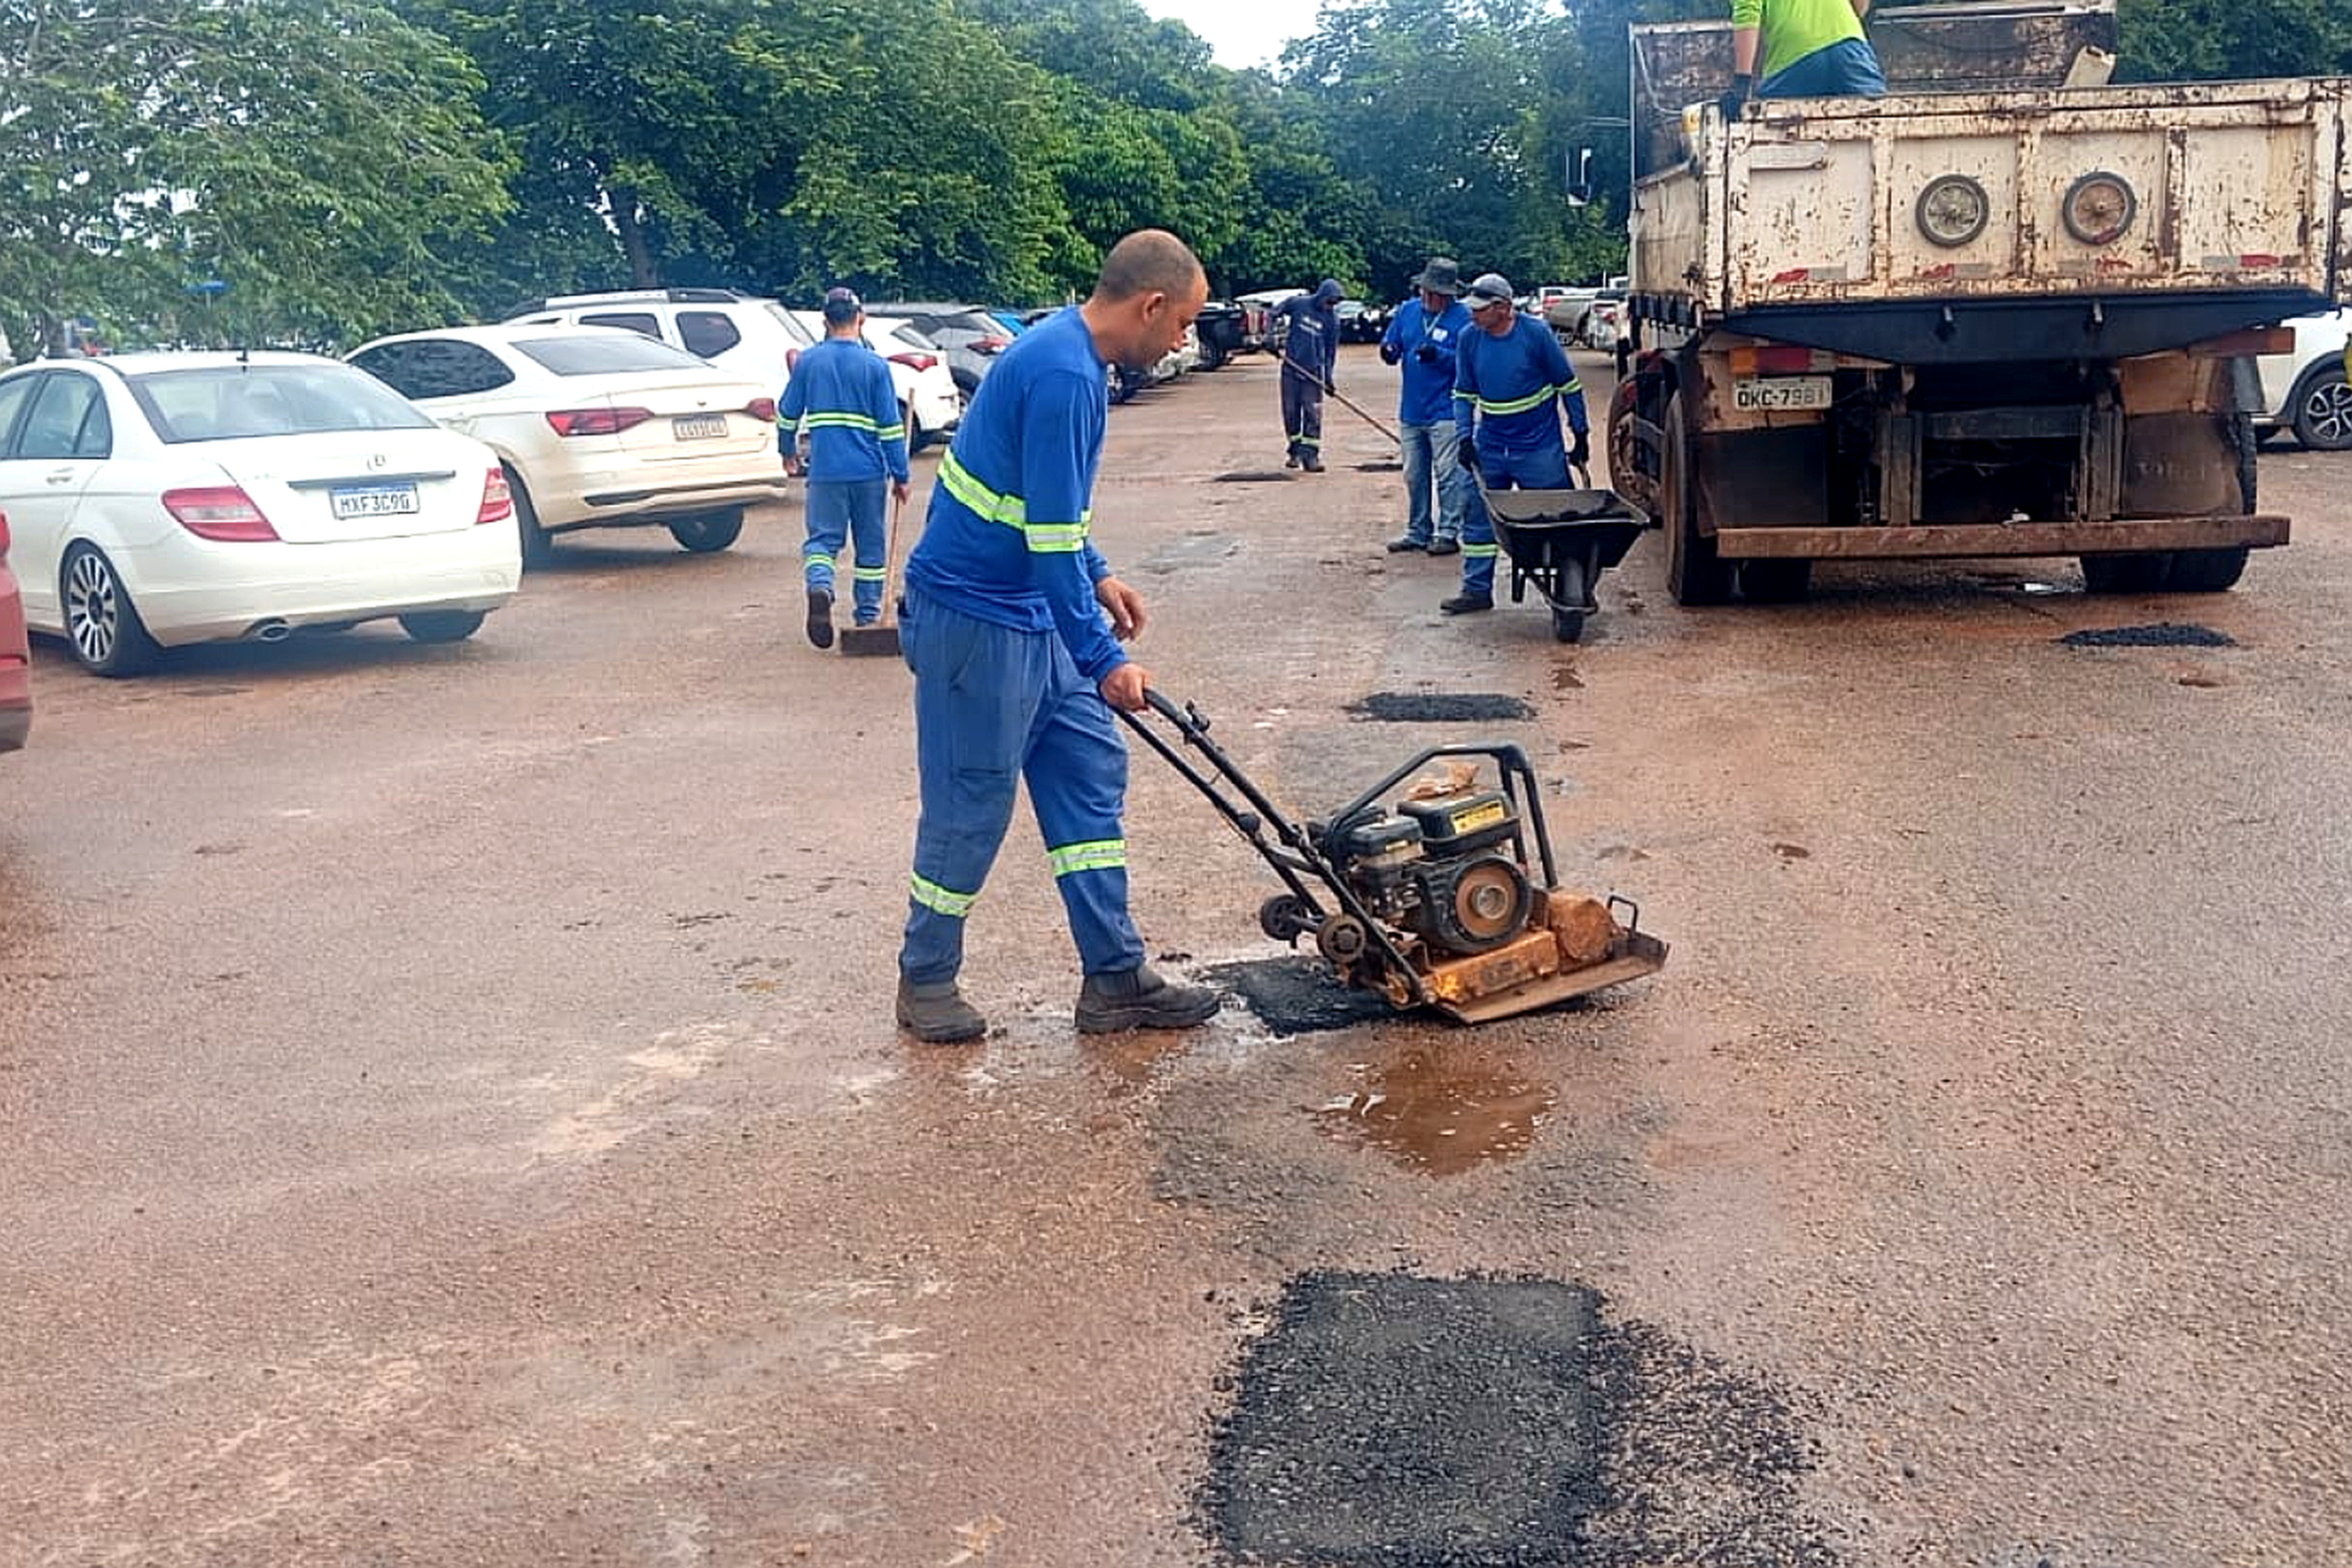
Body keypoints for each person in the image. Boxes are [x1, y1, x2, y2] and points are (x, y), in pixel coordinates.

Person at [894, 229, 1223, 1044]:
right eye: (1182, 322)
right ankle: (926, 979)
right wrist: (1105, 657)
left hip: (1035, 612)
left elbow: (1053, 512)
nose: (1184, 339)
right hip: (976, 619)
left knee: (1087, 775)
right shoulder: (1062, 372)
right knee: (971, 803)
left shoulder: (1072, 362)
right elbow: (1044, 538)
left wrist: (1099, 570)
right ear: (1149, 305)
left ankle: (1115, 978)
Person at [1446, 272, 1590, 616]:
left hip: (1538, 446)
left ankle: (1567, 585)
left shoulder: (1536, 335)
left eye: (1481, 309)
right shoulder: (1470, 339)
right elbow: (1464, 393)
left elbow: (1567, 385)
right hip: (1492, 444)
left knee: (1557, 515)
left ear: (1504, 308)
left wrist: (1580, 432)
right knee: (1478, 513)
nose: (1474, 315)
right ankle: (1477, 590)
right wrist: (1465, 437)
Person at [776, 287, 911, 648]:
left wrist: (787, 452)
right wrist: (901, 475)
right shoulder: (875, 366)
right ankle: (867, 615)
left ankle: (820, 585)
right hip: (868, 472)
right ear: (860, 319)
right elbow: (890, 428)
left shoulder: (808, 362)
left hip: (825, 473)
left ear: (825, 321)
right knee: (870, 546)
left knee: (822, 541)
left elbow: (787, 414)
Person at [1378, 257, 1475, 557]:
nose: (1429, 298)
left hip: (1445, 409)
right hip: (1412, 410)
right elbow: (1391, 341)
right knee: (1414, 475)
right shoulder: (1408, 311)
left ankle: (1447, 531)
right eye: (1426, 292)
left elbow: (1469, 363)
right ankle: (1417, 530)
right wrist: (1388, 350)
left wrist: (1440, 356)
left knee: (1448, 474)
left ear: (1448, 295)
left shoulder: (1464, 319)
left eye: (1436, 294)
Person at [1723, 0, 1886, 114]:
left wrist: (1742, 82)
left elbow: (1747, 12)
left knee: (1768, 123)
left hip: (1795, 57)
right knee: (1879, 115)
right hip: (1850, 47)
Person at [1274, 279, 1344, 472]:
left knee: (1313, 414)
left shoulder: (1332, 320)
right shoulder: (1299, 304)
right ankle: (1295, 451)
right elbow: (1273, 313)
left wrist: (1328, 378)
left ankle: (1311, 456)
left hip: (1313, 373)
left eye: (1334, 304)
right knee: (1291, 412)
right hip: (1291, 369)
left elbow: (1330, 352)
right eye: (1329, 302)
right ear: (1321, 295)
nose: (1330, 306)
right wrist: (1269, 337)